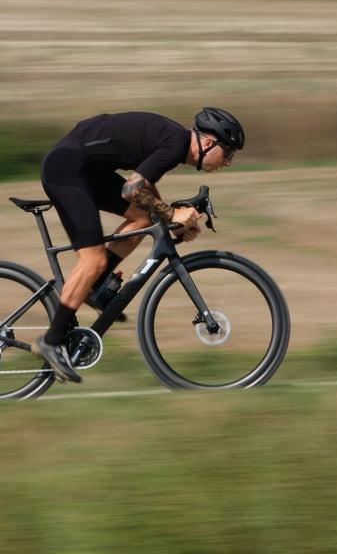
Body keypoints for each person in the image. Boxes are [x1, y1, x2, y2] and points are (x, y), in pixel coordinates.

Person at [34, 107, 245, 383]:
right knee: (92, 260)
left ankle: (94, 289)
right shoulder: (174, 144)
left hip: (86, 169)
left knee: (142, 218)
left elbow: (143, 188)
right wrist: (171, 214)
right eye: (228, 153)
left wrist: (172, 216)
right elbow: (133, 189)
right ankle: (51, 340)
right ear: (208, 143)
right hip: (67, 169)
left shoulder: (174, 143)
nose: (228, 162)